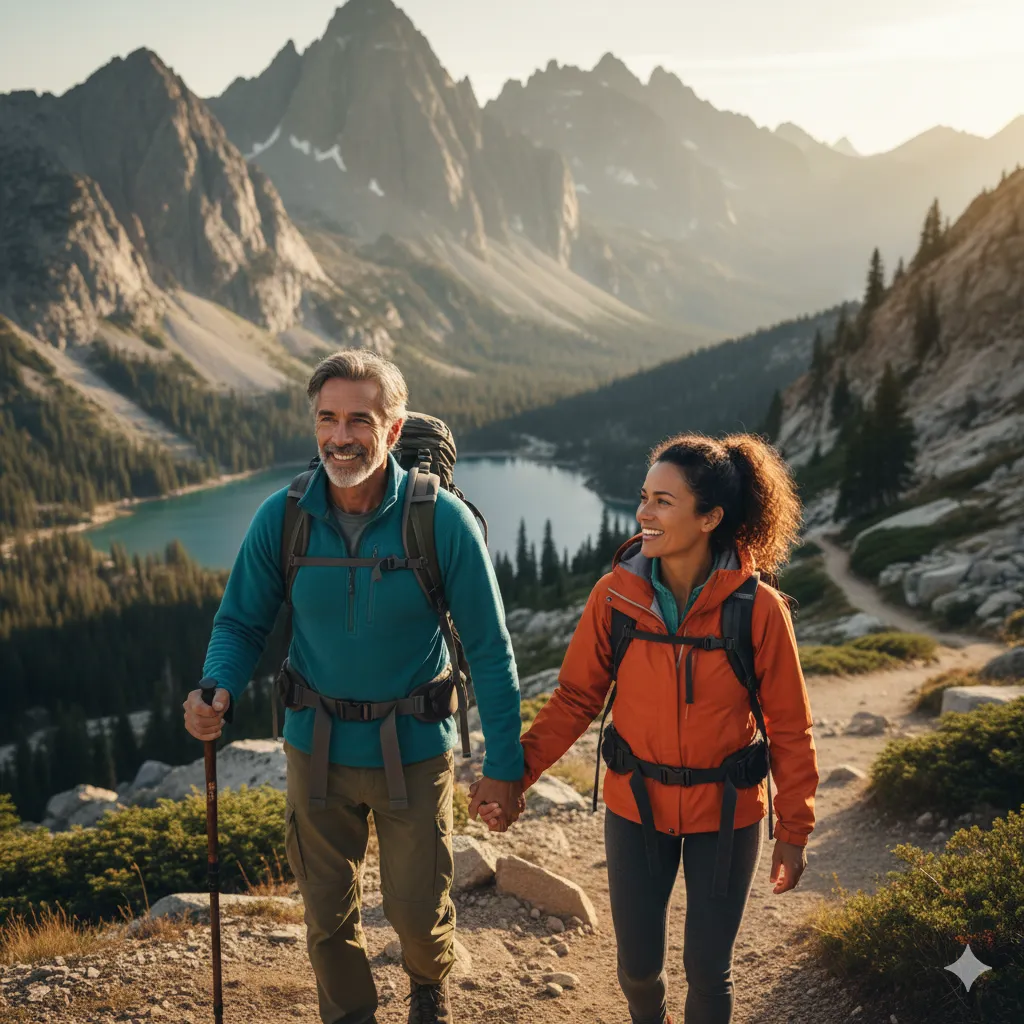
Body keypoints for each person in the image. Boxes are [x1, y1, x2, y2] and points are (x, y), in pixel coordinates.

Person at [183, 350, 524, 1024]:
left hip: (415, 746)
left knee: (417, 909)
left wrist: (505, 767)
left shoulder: (440, 521)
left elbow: (490, 649)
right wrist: (216, 686)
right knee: (326, 914)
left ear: (393, 429)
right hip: (316, 746)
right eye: (327, 419)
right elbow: (241, 621)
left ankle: (428, 985)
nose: (340, 437)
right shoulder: (283, 517)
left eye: (359, 420)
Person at [482, 432, 819, 1024]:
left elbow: (790, 727)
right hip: (635, 804)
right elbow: (575, 698)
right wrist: (514, 775)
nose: (644, 513)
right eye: (644, 497)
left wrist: (793, 829)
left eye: (664, 501)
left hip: (727, 810)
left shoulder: (758, 609)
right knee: (637, 969)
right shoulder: (614, 596)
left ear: (710, 517)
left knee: (708, 970)